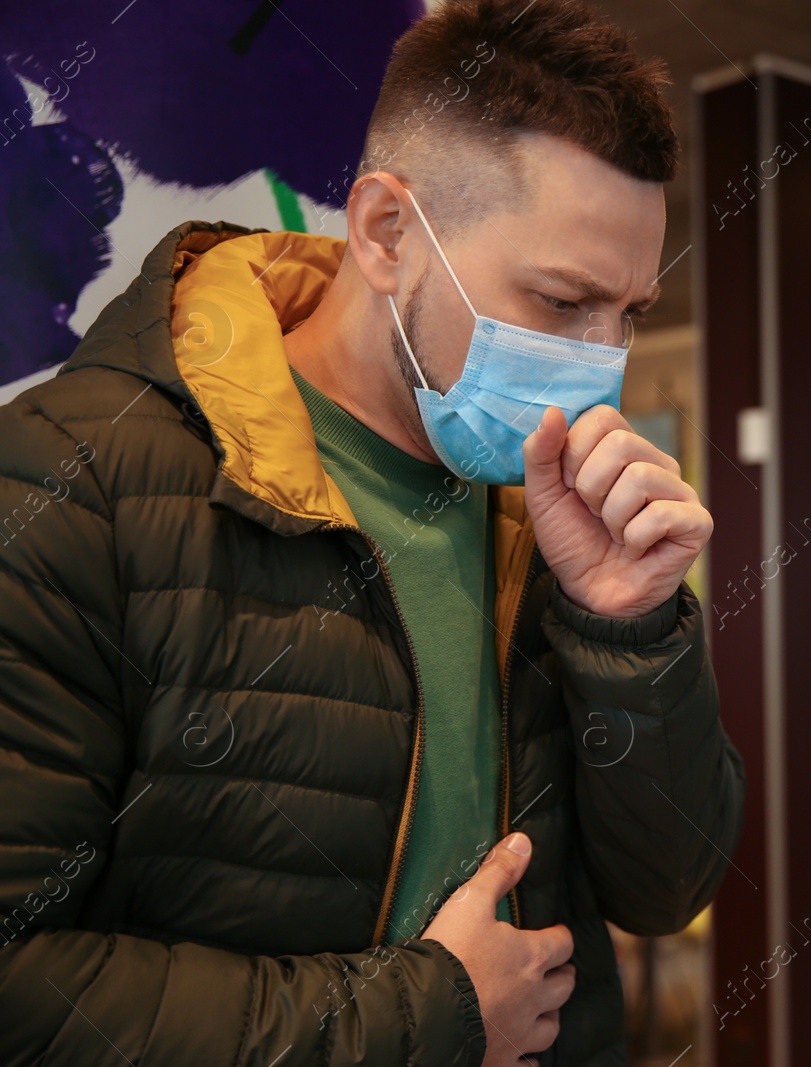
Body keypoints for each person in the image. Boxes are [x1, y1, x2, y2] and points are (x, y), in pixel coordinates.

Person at [0, 3, 745, 1065]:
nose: (599, 360)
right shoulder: (75, 483)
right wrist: (422, 1014)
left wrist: (631, 633)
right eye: (562, 299)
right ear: (387, 233)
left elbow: (667, 886)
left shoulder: (553, 509)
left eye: (628, 312)